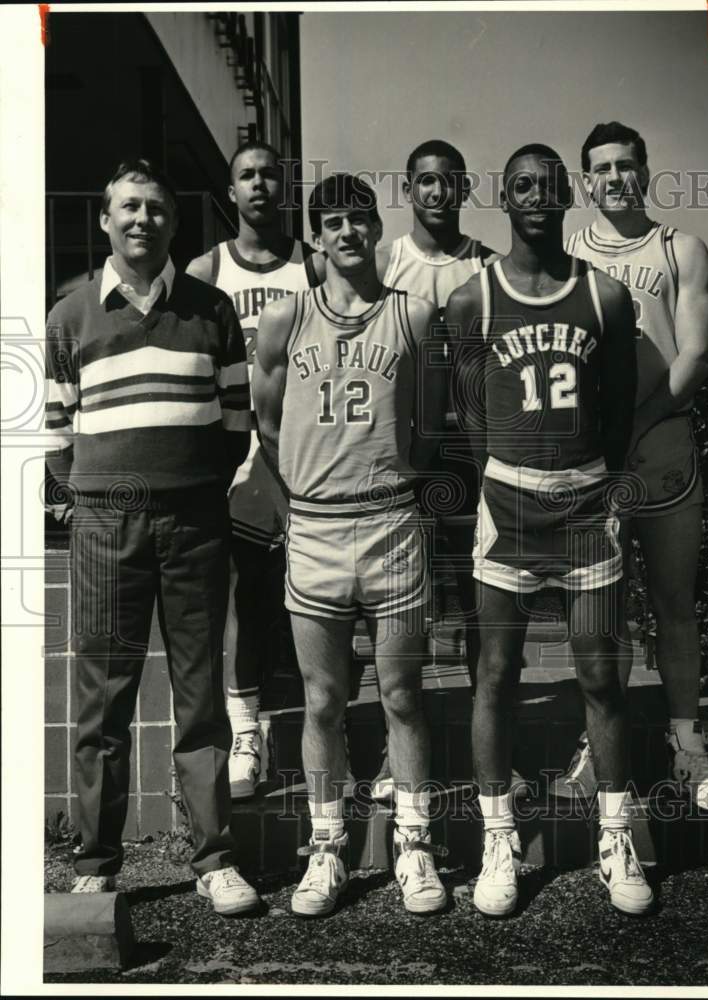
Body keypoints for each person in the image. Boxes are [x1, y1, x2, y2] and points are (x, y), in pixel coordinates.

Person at [45, 159, 259, 914]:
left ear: (173, 222)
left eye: (157, 209)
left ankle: (213, 859)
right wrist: (97, 498)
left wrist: (189, 485)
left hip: (195, 521)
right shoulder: (69, 316)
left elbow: (236, 422)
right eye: (128, 208)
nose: (143, 219)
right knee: (103, 700)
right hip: (105, 524)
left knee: (199, 697)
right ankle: (98, 860)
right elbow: (56, 431)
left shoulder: (212, 310)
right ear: (105, 221)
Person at [449, 144, 653, 917]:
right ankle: (496, 836)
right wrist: (500, 477)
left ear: (568, 195)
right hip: (507, 505)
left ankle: (614, 833)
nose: (537, 195)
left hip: (582, 508)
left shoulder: (603, 296)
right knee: (494, 676)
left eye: (548, 184)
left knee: (601, 676)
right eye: (522, 185)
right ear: (503, 198)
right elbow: (469, 412)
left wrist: (594, 482)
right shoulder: (473, 301)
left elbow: (619, 405)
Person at [254, 173, 449, 917]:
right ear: (316, 236)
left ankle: (414, 845)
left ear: (376, 229)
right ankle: (327, 847)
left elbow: (430, 424)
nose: (346, 233)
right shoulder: (284, 318)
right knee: (322, 699)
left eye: (358, 220)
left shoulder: (413, 315)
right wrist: (300, 501)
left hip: (391, 521)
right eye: (331, 222)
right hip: (315, 527)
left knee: (401, 695)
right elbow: (267, 425)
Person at [553, 122, 708, 811]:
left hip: (662, 452)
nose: (616, 177)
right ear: (586, 181)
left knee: (674, 607)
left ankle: (687, 744)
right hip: (595, 463)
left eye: (627, 164)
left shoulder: (680, 249)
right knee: (602, 615)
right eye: (601, 168)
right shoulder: (567, 255)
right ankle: (602, 745)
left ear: (645, 172)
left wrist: (637, 423)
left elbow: (692, 356)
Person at [370, 139, 514, 801]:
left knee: (478, 601)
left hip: (470, 450)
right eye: (424, 182)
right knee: (402, 610)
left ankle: (491, 753)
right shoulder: (383, 261)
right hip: (400, 451)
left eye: (447, 182)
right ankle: (391, 756)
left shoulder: (486, 266)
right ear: (410, 188)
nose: (436, 193)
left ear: (461, 189)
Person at [187, 140, 317, 799]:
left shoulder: (314, 267)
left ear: (284, 186)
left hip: (305, 446)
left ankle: (333, 729)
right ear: (230, 192)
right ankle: (246, 728)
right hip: (236, 447)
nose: (259, 184)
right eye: (246, 175)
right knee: (242, 588)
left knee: (321, 594)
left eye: (269, 174)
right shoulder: (206, 269)